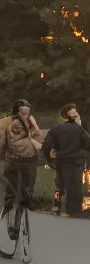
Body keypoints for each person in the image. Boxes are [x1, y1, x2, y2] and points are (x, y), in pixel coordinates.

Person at [42, 104, 90, 217]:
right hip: (75, 162)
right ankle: (73, 211)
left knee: (60, 184)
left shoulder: (55, 129)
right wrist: (89, 155)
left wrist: (50, 160)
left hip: (60, 161)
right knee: (74, 186)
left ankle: (57, 207)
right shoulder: (78, 129)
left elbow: (46, 146)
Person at [0, 100, 42, 233]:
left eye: (28, 112)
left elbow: (38, 138)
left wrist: (35, 127)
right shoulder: (5, 122)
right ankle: (9, 221)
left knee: (27, 190)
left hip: (30, 161)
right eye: (23, 112)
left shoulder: (30, 121)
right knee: (12, 193)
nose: (26, 114)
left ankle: (20, 221)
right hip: (13, 160)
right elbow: (1, 142)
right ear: (16, 112)